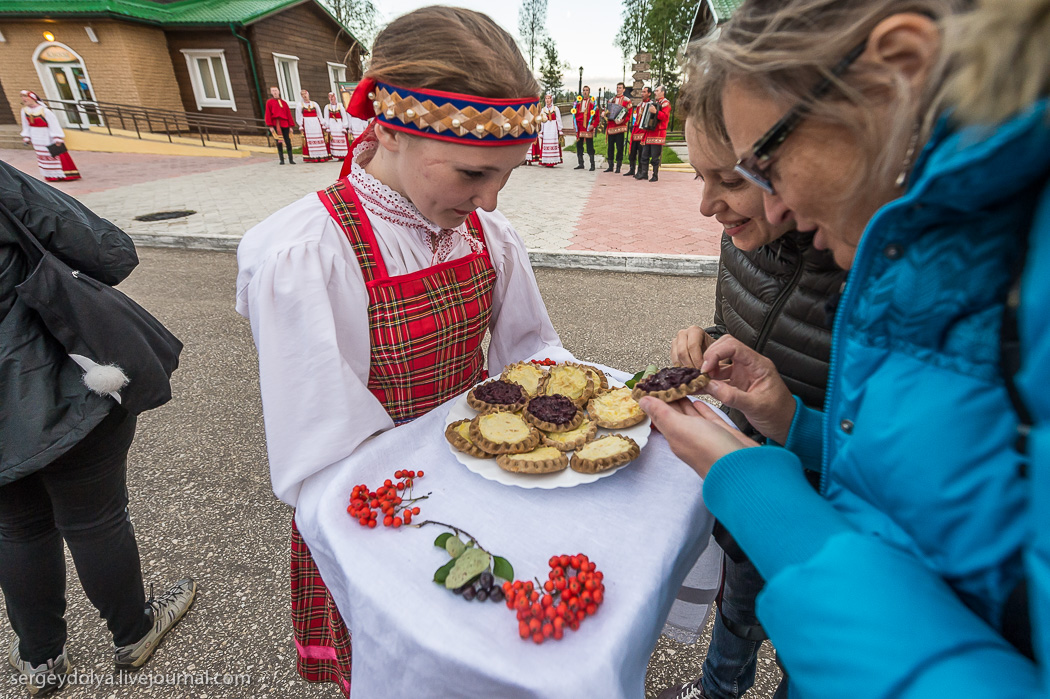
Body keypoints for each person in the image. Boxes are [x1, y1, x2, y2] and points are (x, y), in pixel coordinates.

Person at [642, 0, 1049, 696]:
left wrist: (761, 492)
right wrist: (793, 425)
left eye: (761, 165)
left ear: (899, 71)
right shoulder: (917, 250)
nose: (772, 210)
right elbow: (912, 497)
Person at [235, 7, 560, 697]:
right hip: (378, 514)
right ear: (387, 127)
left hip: (476, 486)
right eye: (475, 174)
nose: (492, 202)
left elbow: (532, 357)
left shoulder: (487, 238)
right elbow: (323, 453)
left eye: (507, 177)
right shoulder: (309, 254)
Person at [657, 64, 846, 699]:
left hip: (827, 512)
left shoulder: (861, 267)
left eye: (729, 180)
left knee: (812, 647)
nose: (707, 206)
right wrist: (709, 342)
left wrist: (793, 427)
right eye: (699, 174)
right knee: (735, 612)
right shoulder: (743, 236)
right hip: (750, 488)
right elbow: (743, 323)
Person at [0, 160, 196, 697]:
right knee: (94, 516)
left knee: (16, 526)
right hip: (52, 376)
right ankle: (133, 633)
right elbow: (111, 252)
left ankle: (40, 659)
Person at [19, 91, 79, 182]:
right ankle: (50, 175)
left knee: (54, 153)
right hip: (35, 135)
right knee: (42, 155)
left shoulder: (44, 110)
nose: (24, 99)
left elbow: (53, 123)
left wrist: (57, 137)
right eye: (22, 97)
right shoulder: (24, 111)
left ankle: (64, 174)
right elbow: (25, 124)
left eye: (26, 97)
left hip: (47, 135)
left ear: (33, 98)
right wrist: (27, 136)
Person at [636, 85, 671, 182]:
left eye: (657, 90)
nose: (655, 92)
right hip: (650, 132)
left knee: (655, 157)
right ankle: (644, 173)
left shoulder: (666, 103)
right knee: (644, 155)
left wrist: (655, 112)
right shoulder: (654, 103)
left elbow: (664, 117)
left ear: (662, 92)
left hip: (658, 134)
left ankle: (655, 175)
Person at [624, 85, 652, 178]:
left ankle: (641, 171)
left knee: (641, 153)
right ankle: (632, 169)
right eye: (642, 92)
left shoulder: (651, 104)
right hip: (636, 130)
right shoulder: (639, 105)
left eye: (644, 92)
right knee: (633, 151)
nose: (642, 94)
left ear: (649, 94)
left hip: (643, 131)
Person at [603, 82, 632, 172]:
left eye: (620, 88)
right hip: (611, 127)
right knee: (610, 147)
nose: (618, 89)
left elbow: (629, 113)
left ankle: (618, 167)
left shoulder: (627, 100)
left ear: (624, 90)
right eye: (617, 88)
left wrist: (623, 120)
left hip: (620, 127)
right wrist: (605, 114)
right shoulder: (611, 100)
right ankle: (610, 166)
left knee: (620, 147)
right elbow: (607, 111)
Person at [296, 89, 331, 163]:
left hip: (316, 123)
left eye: (305, 94)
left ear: (308, 94)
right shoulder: (300, 105)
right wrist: (300, 125)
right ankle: (312, 156)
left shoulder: (314, 104)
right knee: (310, 139)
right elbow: (298, 115)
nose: (304, 96)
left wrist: (322, 123)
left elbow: (319, 114)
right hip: (307, 124)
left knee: (318, 138)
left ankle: (321, 156)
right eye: (302, 95)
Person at [264, 86, 296, 165]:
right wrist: (270, 126)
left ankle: (291, 159)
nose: (275, 92)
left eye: (276, 90)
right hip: (276, 124)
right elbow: (268, 114)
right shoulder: (269, 102)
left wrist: (291, 126)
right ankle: (281, 159)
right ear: (271, 92)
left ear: (279, 91)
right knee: (279, 142)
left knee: (288, 141)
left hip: (285, 123)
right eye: (273, 91)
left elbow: (288, 114)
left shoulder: (284, 103)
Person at [572, 85, 600, 171]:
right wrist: (574, 124)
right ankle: (581, 163)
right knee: (579, 145)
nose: (585, 92)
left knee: (589, 146)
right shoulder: (578, 103)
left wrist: (593, 125)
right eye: (583, 90)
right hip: (580, 127)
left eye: (586, 90)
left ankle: (592, 165)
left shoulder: (593, 103)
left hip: (588, 127)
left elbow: (597, 117)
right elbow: (574, 114)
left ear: (589, 92)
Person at [537, 93, 563, 167]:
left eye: (549, 98)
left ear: (551, 99)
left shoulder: (555, 108)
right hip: (546, 127)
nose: (547, 100)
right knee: (546, 143)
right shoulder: (543, 110)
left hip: (553, 128)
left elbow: (559, 119)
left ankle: (553, 160)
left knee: (553, 142)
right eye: (546, 98)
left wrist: (560, 129)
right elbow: (542, 121)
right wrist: (541, 131)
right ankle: (546, 160)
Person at [323, 92, 350, 159]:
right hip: (332, 124)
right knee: (333, 139)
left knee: (341, 138)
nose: (331, 98)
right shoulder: (327, 107)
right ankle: (335, 154)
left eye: (332, 96)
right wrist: (327, 126)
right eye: (330, 97)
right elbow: (326, 117)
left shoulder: (340, 106)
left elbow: (344, 116)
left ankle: (343, 155)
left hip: (339, 124)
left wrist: (344, 126)